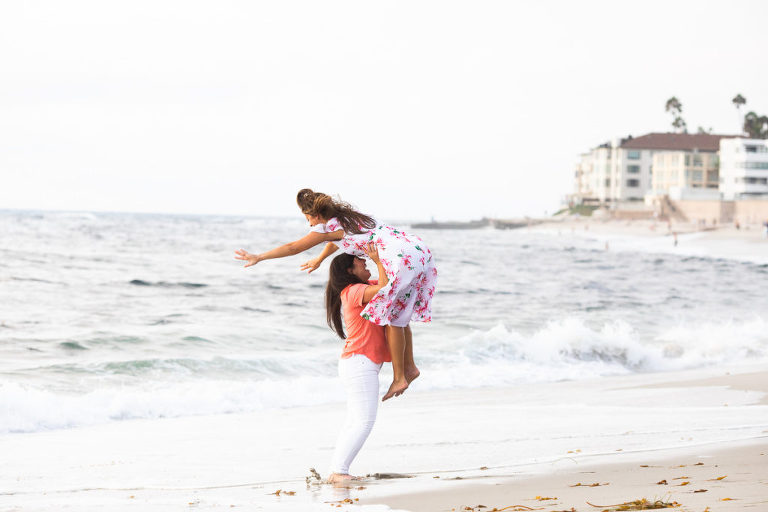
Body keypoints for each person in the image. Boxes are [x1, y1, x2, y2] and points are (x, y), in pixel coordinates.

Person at [235, 188, 437, 401]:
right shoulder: (351, 217)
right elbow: (338, 240)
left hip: (396, 256)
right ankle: (410, 367)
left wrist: (260, 257)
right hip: (417, 250)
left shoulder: (327, 228)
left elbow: (293, 247)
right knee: (401, 315)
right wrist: (320, 259)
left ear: (317, 215)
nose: (310, 225)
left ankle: (399, 377)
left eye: (308, 219)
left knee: (392, 317)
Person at [325, 245, 390, 483]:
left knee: (355, 420)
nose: (366, 263)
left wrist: (382, 259)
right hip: (359, 363)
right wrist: (378, 258)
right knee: (364, 421)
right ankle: (339, 472)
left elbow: (389, 283)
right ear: (350, 270)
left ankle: (337, 469)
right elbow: (385, 288)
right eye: (361, 262)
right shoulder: (353, 292)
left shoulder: (364, 287)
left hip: (360, 363)